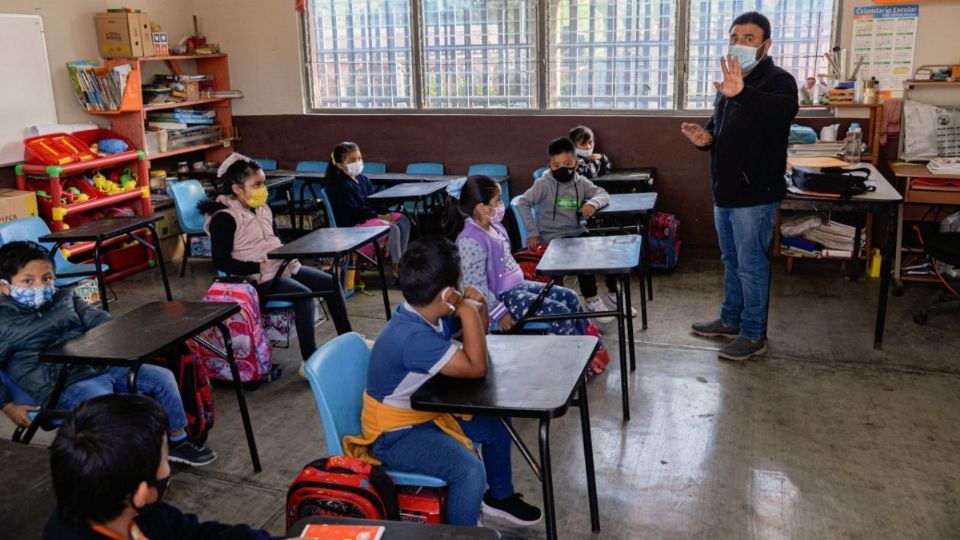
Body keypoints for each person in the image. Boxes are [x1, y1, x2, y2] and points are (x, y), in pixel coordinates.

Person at [342, 237, 542, 527]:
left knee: (497, 426)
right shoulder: (413, 338)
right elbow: (476, 367)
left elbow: (477, 342)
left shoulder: (426, 314)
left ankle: (500, 497)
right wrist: (467, 309)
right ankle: (461, 533)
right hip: (393, 436)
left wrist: (480, 306)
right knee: (469, 472)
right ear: (449, 293)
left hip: (421, 411)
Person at [0, 241, 215, 466]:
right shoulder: (3, 323)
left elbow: (97, 319)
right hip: (62, 385)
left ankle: (178, 442)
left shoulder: (64, 298)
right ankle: (132, 465)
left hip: (101, 363)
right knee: (117, 409)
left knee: (162, 378)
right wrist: (8, 406)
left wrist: (120, 330)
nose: (40, 287)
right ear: (5, 287)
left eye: (47, 278)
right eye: (28, 281)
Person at [679, 11, 799, 361]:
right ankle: (730, 320)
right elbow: (718, 127)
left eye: (748, 38)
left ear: (766, 45)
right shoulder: (730, 82)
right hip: (726, 191)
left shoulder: (778, 80)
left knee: (751, 264)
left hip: (755, 194)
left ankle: (753, 334)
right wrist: (706, 138)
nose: (739, 44)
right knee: (731, 260)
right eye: (734, 37)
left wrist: (742, 92)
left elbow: (781, 113)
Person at [200, 153, 351, 371]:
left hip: (283, 266)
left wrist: (289, 252)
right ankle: (310, 361)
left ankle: (348, 339)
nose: (263, 189)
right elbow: (221, 261)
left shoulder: (263, 208)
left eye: (263, 183)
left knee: (331, 283)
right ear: (237, 189)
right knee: (304, 296)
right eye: (256, 184)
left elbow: (273, 239)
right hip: (256, 279)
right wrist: (256, 267)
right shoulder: (224, 217)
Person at [43, 394, 270, 539]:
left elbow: (194, 534)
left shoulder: (134, 511)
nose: (168, 466)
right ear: (142, 493)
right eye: (165, 457)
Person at [444, 175, 588, 336]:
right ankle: (564, 355)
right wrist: (499, 313)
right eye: (498, 201)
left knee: (571, 297)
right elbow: (474, 286)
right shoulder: (470, 239)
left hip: (518, 287)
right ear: (481, 208)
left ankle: (585, 341)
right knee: (560, 312)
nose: (501, 205)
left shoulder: (495, 226)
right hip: (501, 299)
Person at [516, 137, 633, 323]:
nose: (562, 168)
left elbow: (602, 193)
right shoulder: (543, 184)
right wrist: (532, 232)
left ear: (576, 163)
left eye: (568, 163)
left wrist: (592, 203)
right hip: (553, 238)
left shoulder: (581, 182)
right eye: (557, 165)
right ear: (549, 165)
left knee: (607, 248)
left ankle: (613, 293)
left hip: (576, 232)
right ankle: (591, 298)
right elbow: (522, 202)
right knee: (583, 254)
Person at [324, 141, 412, 274]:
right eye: (352, 160)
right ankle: (397, 266)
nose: (358, 162)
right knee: (392, 227)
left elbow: (373, 202)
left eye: (359, 158)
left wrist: (386, 212)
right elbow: (354, 211)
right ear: (341, 165)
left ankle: (402, 260)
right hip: (353, 224)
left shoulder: (363, 180)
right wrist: (380, 217)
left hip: (369, 216)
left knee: (404, 220)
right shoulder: (338, 185)